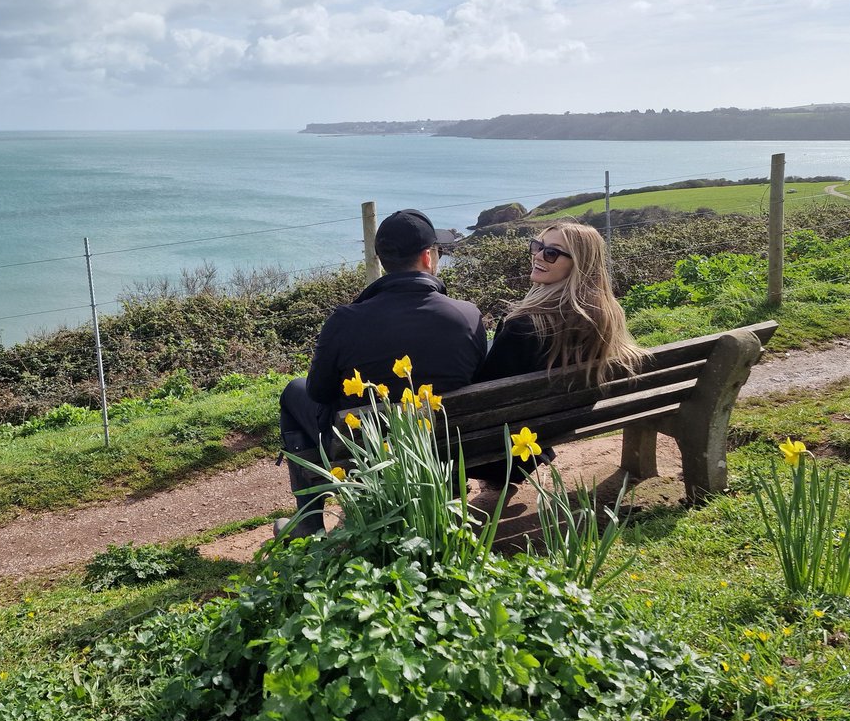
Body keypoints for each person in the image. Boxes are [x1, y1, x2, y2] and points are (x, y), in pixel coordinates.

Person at [276, 208, 488, 537]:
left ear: (381, 261)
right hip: (444, 444)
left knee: (294, 391)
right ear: (428, 257)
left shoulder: (344, 321)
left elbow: (318, 392)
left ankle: (309, 521)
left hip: (370, 449)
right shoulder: (468, 316)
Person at [472, 221, 646, 474]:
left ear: (579, 264)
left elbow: (486, 392)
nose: (539, 256)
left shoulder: (524, 325)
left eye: (551, 253)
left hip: (503, 448)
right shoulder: (607, 315)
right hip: (553, 429)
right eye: (538, 246)